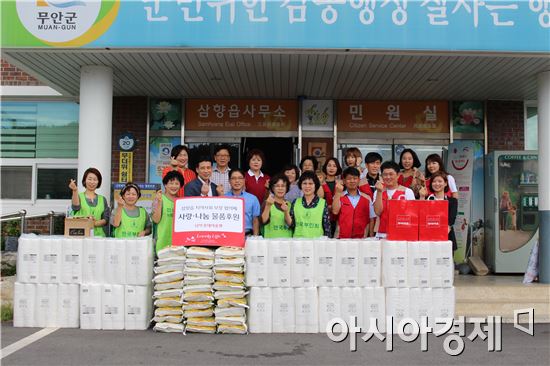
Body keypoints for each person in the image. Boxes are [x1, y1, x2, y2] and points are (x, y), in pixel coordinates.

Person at [373, 161, 416, 239]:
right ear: (381, 176)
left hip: (401, 233)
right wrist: (379, 192)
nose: (388, 177)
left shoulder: (407, 192)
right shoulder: (378, 191)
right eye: (385, 174)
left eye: (391, 174)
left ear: (398, 175)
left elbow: (412, 215)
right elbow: (378, 212)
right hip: (381, 234)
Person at [419, 171, 458, 251]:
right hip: (428, 238)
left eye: (440, 181)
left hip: (446, 237)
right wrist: (422, 197)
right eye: (434, 181)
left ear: (446, 183)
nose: (437, 184)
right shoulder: (427, 200)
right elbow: (421, 216)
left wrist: (441, 233)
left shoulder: (452, 201)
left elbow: (451, 220)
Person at [332, 167, 375, 239]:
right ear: (344, 181)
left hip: (361, 239)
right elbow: (335, 211)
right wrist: (338, 193)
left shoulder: (367, 198)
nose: (352, 181)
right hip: (341, 238)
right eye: (349, 179)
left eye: (355, 178)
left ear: (359, 180)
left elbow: (371, 219)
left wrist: (371, 236)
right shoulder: (338, 196)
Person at [69, 167, 110, 237]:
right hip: (81, 236)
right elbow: (75, 207)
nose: (92, 182)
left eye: (95, 179)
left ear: (98, 182)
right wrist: (75, 190)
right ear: (85, 180)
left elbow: (106, 219)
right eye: (89, 179)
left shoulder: (103, 199)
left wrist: (94, 223)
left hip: (99, 237)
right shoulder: (78, 196)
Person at [290, 171, 331, 238]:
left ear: (315, 185)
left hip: (317, 244)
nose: (307, 186)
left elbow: (327, 227)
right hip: (298, 243)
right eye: (304, 183)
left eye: (310, 183)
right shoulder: (295, 202)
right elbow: (291, 225)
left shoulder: (322, 203)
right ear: (300, 185)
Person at [152, 171, 184, 253]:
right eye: (171, 183)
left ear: (180, 186)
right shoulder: (159, 199)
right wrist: (159, 202)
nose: (174, 186)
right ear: (165, 185)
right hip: (161, 243)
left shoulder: (182, 202)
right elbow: (155, 220)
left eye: (177, 183)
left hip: (178, 245)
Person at [225, 169, 260, 236]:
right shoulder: (223, 198)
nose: (237, 181)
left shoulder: (253, 199)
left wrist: (255, 238)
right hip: (228, 236)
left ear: (244, 180)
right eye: (233, 178)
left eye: (240, 178)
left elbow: (255, 221)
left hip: (247, 236)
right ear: (229, 181)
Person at [260, 173, 293, 238]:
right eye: (277, 186)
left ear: (287, 188)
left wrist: (286, 212)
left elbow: (291, 225)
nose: (280, 188)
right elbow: (263, 221)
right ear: (272, 188)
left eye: (283, 186)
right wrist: (268, 206)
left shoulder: (290, 205)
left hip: (287, 242)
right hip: (271, 243)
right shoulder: (267, 202)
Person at [321, 157, 343, 237]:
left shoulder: (341, 184)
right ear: (325, 167)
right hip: (323, 218)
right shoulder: (320, 184)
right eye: (329, 165)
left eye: (334, 166)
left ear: (337, 168)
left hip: (339, 218)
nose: (331, 168)